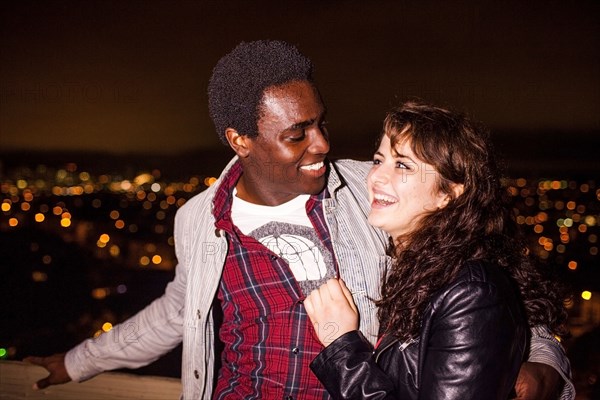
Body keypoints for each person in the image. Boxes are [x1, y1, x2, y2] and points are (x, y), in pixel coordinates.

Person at [24, 41, 573, 399]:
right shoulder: (198, 220)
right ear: (240, 141)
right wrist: (77, 362)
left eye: (320, 123)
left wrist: (545, 366)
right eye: (297, 135)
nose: (324, 144)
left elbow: (489, 282)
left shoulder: (373, 191)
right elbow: (175, 312)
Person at [304, 101, 575, 399]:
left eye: (403, 165)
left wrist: (341, 346)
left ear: (448, 194)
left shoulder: (471, 291)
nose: (375, 176)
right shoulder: (418, 273)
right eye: (379, 160)